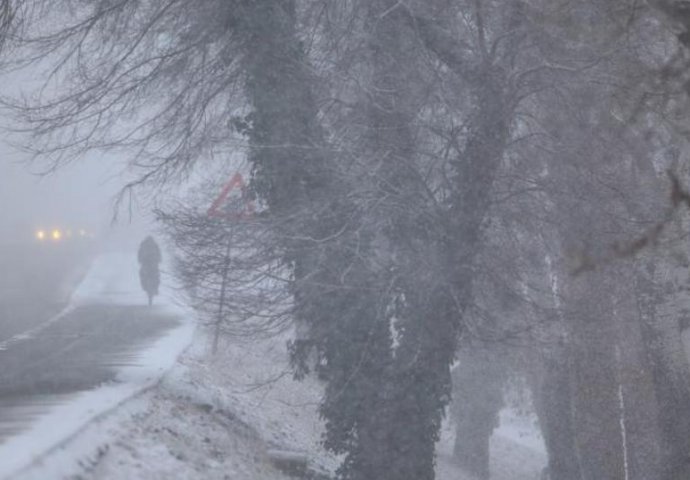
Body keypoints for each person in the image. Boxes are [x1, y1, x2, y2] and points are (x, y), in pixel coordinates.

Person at [138, 235, 161, 306]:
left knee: (142, 275)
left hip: (145, 265)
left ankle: (145, 286)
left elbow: (139, 256)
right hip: (153, 265)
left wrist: (140, 260)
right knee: (157, 276)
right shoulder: (155, 246)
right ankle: (156, 288)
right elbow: (159, 256)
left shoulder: (143, 246)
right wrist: (158, 260)